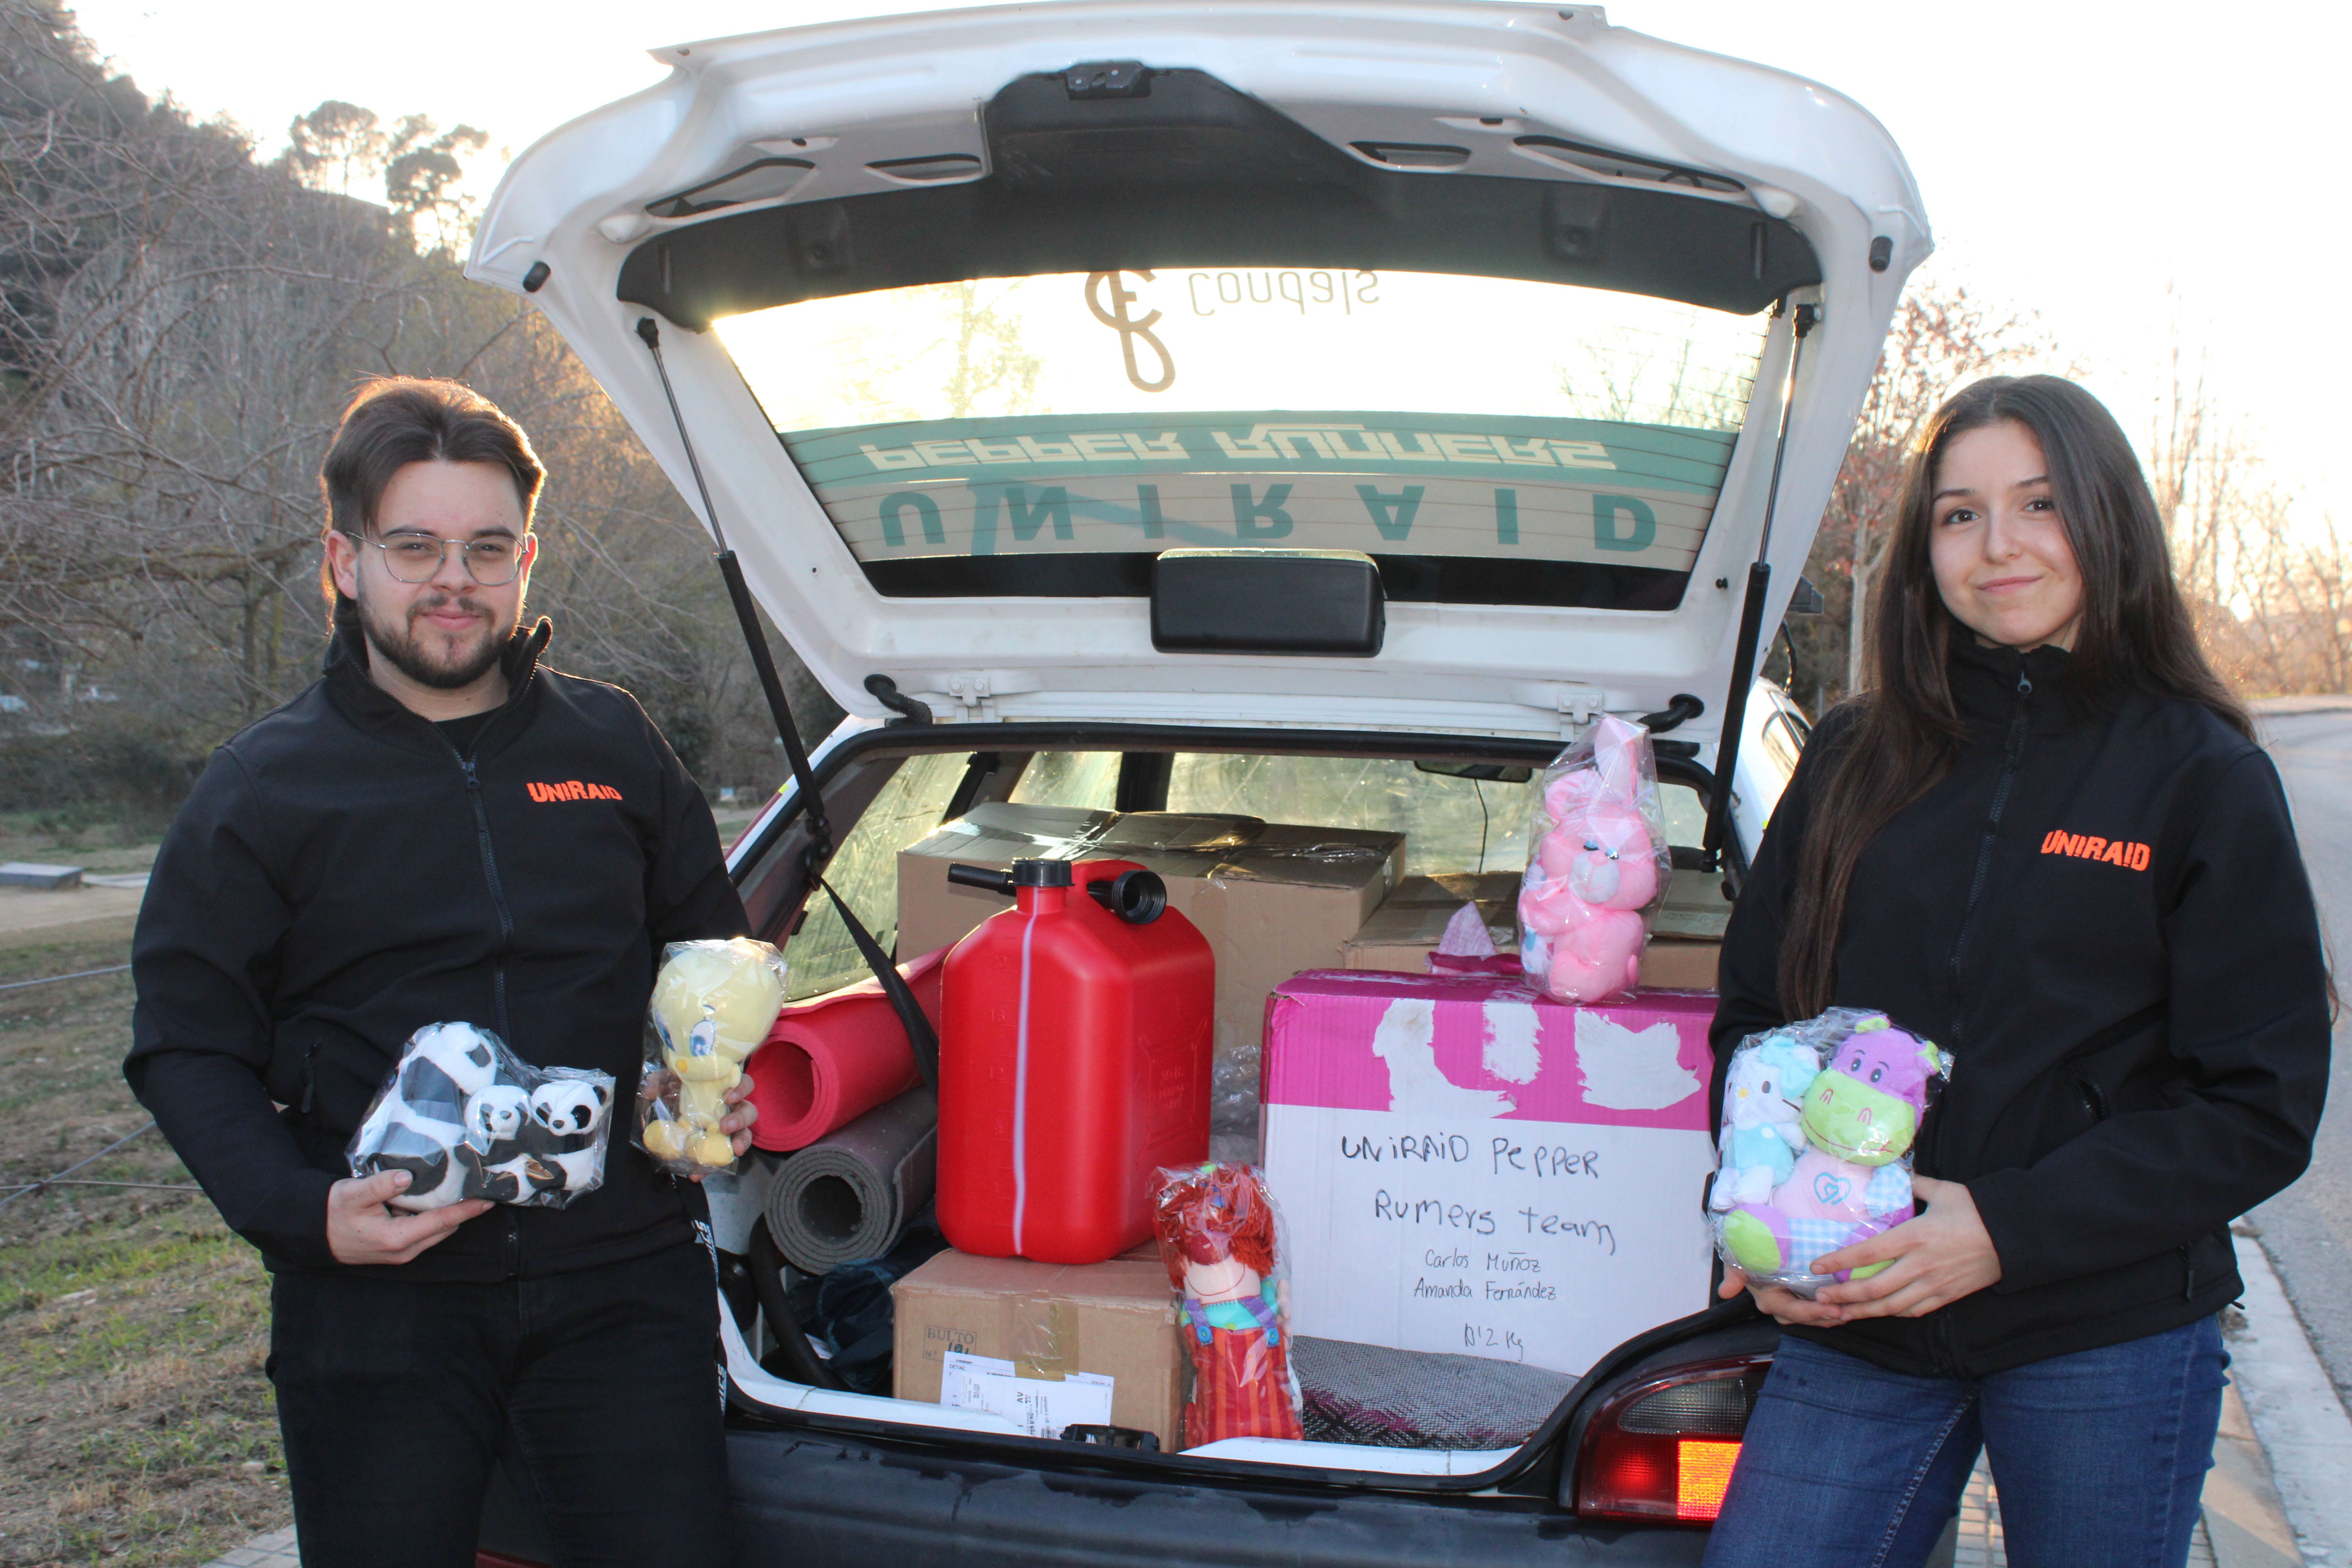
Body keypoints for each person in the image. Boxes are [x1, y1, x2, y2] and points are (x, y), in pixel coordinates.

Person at [125, 378, 757, 1568]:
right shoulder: (266, 788)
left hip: (620, 1287)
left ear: (527, 558)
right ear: (344, 559)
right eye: (413, 546)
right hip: (380, 1301)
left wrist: (712, 1086)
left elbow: (706, 961)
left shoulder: (612, 745)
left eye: (485, 548)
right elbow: (183, 1042)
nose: (452, 581)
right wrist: (299, 1214)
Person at [1702, 375, 2331, 1568]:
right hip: (1862, 1309)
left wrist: (2007, 1228)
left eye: (2039, 504)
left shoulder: (2198, 776)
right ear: (1923, 546)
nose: (1999, 547)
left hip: (2104, 1327)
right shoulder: (1850, 760)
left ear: (2106, 521)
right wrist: (1758, 1215)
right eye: (1959, 514)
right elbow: (1757, 1021)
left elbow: (2260, 1106)